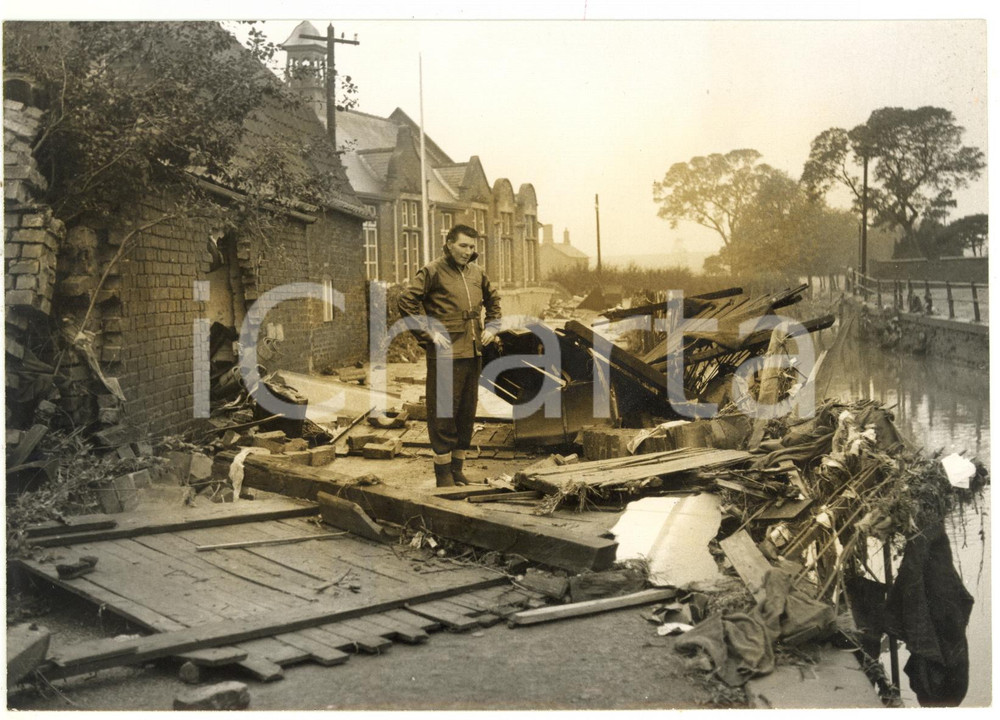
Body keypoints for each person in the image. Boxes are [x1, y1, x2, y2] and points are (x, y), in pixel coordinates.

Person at [398, 224, 502, 487]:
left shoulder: (477, 273)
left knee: (466, 413)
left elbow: (494, 301)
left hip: (473, 351)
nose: (468, 252)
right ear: (449, 244)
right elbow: (406, 301)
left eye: (471, 247)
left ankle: (457, 469)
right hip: (445, 354)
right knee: (443, 413)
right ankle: (442, 474)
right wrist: (428, 332)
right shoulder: (433, 271)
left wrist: (491, 326)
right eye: (463, 246)